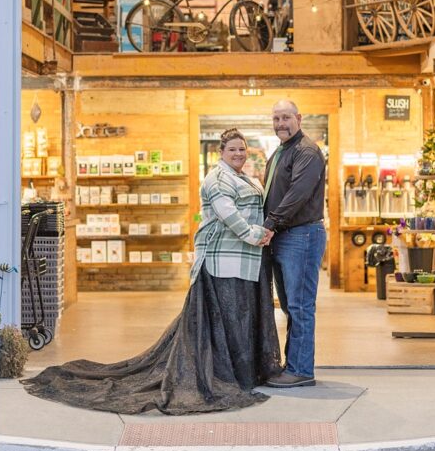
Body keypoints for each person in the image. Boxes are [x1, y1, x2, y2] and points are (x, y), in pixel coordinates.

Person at [22, 129, 282, 414]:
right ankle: (224, 376)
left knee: (238, 322)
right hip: (224, 261)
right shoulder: (216, 179)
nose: (238, 154)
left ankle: (240, 374)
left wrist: (261, 234)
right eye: (232, 149)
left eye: (242, 149)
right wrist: (259, 234)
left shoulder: (244, 177)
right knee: (226, 323)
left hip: (246, 262)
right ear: (221, 152)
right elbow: (230, 216)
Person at [262, 99, 328, 388]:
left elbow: (297, 194)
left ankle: (301, 370)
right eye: (276, 119)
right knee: (290, 305)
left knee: (300, 306)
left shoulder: (307, 152)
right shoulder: (282, 151)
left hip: (301, 235)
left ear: (298, 118)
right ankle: (293, 364)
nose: (280, 124)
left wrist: (269, 223)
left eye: (286, 117)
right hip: (284, 236)